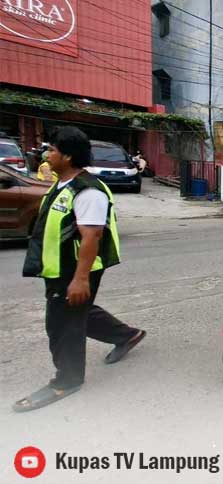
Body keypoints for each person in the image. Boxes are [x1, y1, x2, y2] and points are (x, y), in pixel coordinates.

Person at [15, 127, 145, 412]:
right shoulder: (62, 183)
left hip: (75, 270)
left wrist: (80, 279)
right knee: (77, 311)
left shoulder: (88, 191)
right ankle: (127, 335)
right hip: (59, 268)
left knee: (62, 324)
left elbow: (92, 236)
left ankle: (68, 379)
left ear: (68, 156)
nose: (47, 155)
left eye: (52, 150)